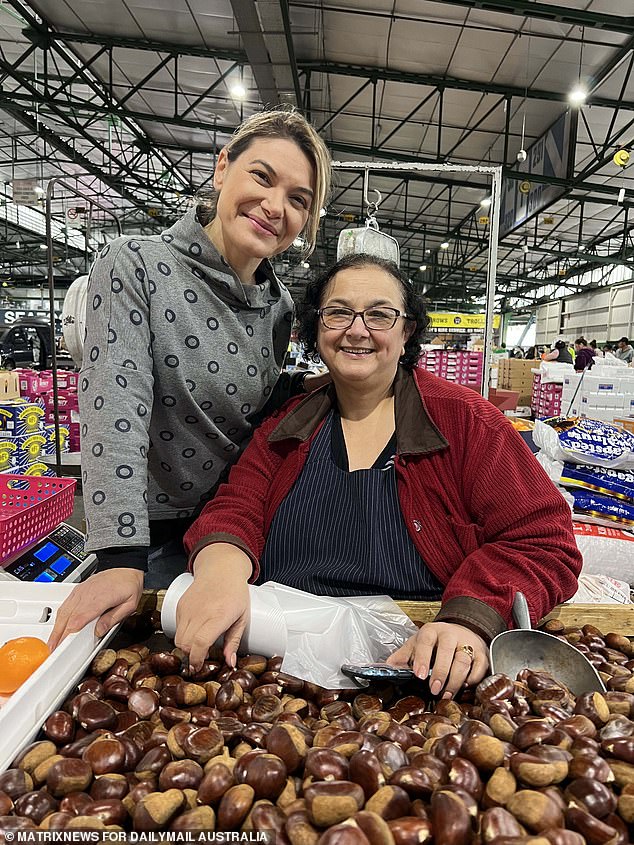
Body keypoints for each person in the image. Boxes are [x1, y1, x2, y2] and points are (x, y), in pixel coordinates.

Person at [175, 254, 581, 700]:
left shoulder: (467, 423)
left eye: (380, 315)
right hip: (280, 665)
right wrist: (219, 575)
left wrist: (470, 618)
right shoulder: (286, 428)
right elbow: (237, 506)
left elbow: (542, 541)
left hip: (424, 673)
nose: (357, 329)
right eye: (338, 312)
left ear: (406, 332)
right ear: (317, 329)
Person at [49, 108, 332, 649]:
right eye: (262, 177)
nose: (275, 207)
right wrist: (119, 556)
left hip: (232, 540)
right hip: (145, 543)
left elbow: (252, 421)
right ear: (223, 168)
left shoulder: (279, 306)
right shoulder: (135, 264)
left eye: (299, 199)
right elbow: (114, 404)